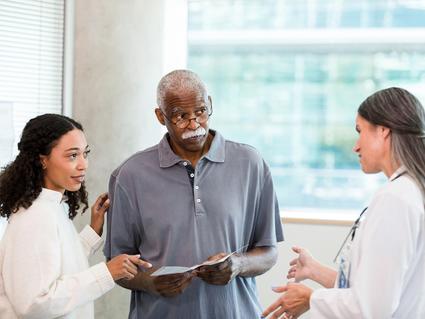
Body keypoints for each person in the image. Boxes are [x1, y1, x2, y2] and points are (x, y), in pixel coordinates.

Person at [104, 69, 284, 318]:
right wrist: (150, 283)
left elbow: (269, 251)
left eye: (200, 111)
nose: (194, 124)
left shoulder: (251, 163)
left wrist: (238, 265)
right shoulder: (129, 175)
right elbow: (117, 264)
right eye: (180, 116)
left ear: (210, 104)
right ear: (160, 116)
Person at [262, 87, 425, 319]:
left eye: (360, 131)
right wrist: (316, 271)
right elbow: (381, 287)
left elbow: (373, 308)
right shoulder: (413, 190)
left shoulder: (395, 198)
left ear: (383, 130)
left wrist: (310, 298)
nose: (356, 146)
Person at [0, 114, 151, 319]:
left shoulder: (50, 206)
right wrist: (107, 272)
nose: (83, 165)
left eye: (84, 154)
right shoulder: (35, 217)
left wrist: (92, 231)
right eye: (72, 156)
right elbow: (34, 304)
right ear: (42, 160)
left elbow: (57, 266)